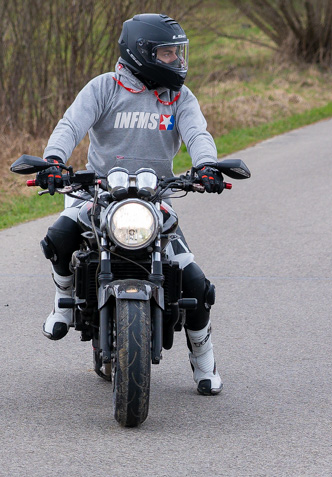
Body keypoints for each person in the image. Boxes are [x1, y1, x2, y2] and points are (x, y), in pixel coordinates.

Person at [36, 13, 226, 396]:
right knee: (58, 238)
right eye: (168, 53)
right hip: (96, 196)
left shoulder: (178, 97)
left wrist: (206, 167)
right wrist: (54, 162)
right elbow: (70, 125)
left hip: (156, 202)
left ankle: (203, 357)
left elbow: (198, 134)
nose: (177, 60)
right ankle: (64, 298)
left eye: (178, 53)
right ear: (142, 53)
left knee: (196, 284)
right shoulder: (104, 88)